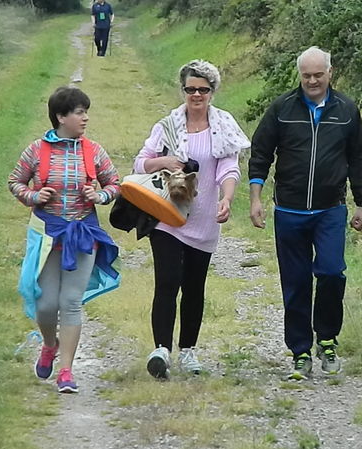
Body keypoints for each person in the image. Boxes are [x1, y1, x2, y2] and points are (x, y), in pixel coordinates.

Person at [248, 46, 362, 380]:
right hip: (289, 210)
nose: (313, 81)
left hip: (330, 209)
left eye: (319, 75)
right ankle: (300, 352)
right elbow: (261, 153)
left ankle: (328, 339)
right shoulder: (282, 109)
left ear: (330, 73)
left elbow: (360, 156)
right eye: (307, 76)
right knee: (296, 282)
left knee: (332, 272)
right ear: (299, 75)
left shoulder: (346, 109)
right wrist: (255, 198)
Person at [133, 60, 250, 379]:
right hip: (167, 217)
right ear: (182, 90)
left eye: (203, 89)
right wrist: (165, 161)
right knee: (168, 281)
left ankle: (188, 351)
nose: (196, 95)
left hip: (205, 218)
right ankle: (161, 350)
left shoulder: (224, 125)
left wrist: (227, 197)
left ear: (213, 91)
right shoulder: (168, 125)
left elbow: (229, 168)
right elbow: (140, 163)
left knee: (195, 286)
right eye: (190, 89)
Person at [8, 86, 121, 393]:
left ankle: (66, 371)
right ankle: (49, 344)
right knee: (45, 304)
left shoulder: (93, 150)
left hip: (83, 234)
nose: (85, 118)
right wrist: (33, 195)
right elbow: (15, 181)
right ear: (61, 116)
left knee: (71, 302)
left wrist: (98, 195)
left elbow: (115, 184)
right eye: (79, 112)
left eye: (86, 111)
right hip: (47, 234)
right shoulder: (36, 150)